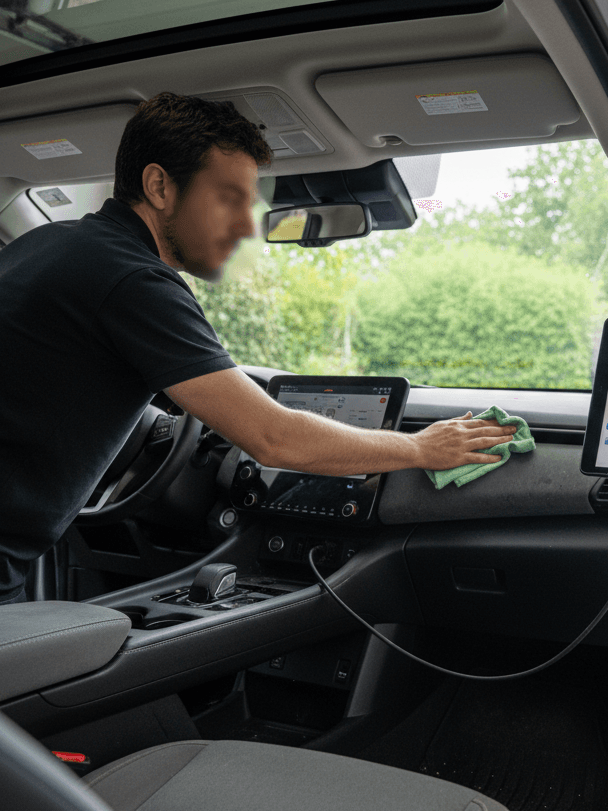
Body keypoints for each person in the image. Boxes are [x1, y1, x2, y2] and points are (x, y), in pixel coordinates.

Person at [0, 93, 515, 605]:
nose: (249, 226)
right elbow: (273, 439)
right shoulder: (134, 281)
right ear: (159, 186)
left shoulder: (45, 244)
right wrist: (420, 448)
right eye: (229, 198)